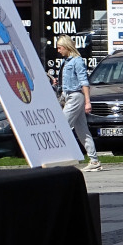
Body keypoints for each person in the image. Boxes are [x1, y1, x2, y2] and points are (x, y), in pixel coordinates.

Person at [51, 35, 102, 172]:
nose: (58, 51)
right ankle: (94, 160)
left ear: (67, 47)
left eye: (60, 48)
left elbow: (84, 82)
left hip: (75, 96)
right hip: (67, 95)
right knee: (82, 131)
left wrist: (87, 101)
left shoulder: (77, 61)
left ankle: (62, 157)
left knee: (63, 126)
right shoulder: (65, 62)